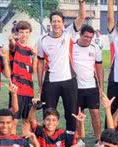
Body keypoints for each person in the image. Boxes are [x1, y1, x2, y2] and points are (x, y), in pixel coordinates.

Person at [37, 1, 86, 133]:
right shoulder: (42, 40)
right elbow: (40, 62)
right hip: (51, 81)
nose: (56, 24)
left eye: (59, 21)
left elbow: (81, 17)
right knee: (49, 112)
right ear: (50, 23)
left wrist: (81, 4)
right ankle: (48, 138)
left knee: (71, 111)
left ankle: (71, 137)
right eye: (54, 21)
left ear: (63, 23)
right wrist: (40, 84)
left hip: (69, 80)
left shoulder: (69, 33)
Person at [72, 24, 104, 143]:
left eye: (90, 37)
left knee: (95, 113)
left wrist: (101, 87)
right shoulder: (72, 47)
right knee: (79, 114)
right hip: (76, 87)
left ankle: (98, 139)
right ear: (80, 35)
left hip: (91, 86)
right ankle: (80, 139)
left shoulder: (95, 48)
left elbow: (99, 68)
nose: (88, 40)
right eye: (86, 37)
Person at [8, 21, 37, 133]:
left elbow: (33, 71)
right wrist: (11, 39)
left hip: (29, 89)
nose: (24, 35)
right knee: (14, 119)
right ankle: (12, 142)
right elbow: (11, 46)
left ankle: (24, 141)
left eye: (26, 32)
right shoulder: (15, 46)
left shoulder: (30, 50)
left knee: (26, 119)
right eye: (21, 32)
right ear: (17, 34)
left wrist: (35, 57)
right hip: (17, 89)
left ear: (30, 33)